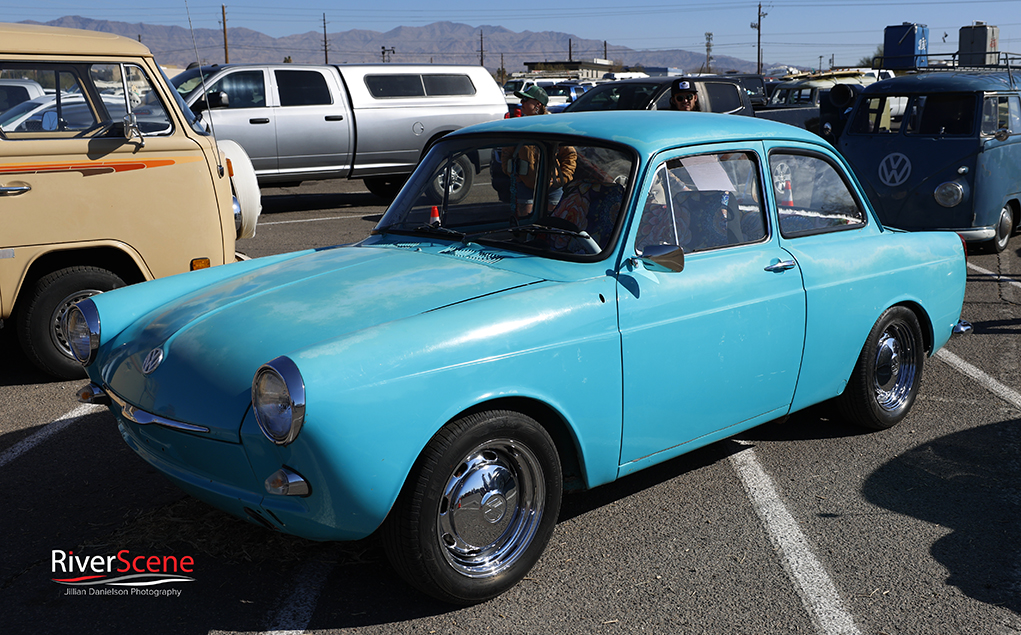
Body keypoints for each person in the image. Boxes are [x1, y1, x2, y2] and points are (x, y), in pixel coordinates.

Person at [502, 85, 577, 216]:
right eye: (522, 99)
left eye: (525, 99)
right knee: (526, 225)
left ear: (538, 104)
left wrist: (561, 179)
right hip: (525, 185)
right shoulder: (519, 127)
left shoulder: (555, 127)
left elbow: (569, 155)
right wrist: (513, 174)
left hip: (552, 187)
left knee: (551, 224)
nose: (521, 103)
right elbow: (506, 152)